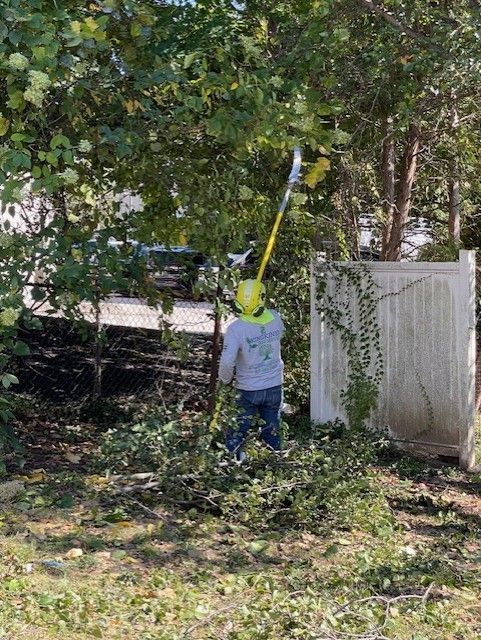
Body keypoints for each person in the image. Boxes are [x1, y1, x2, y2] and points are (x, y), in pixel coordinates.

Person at [219, 279, 285, 462]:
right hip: (274, 386)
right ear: (262, 299)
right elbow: (281, 334)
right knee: (271, 429)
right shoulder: (275, 318)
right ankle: (276, 463)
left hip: (248, 389)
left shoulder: (236, 329)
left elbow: (226, 362)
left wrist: (224, 380)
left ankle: (234, 465)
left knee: (238, 431)